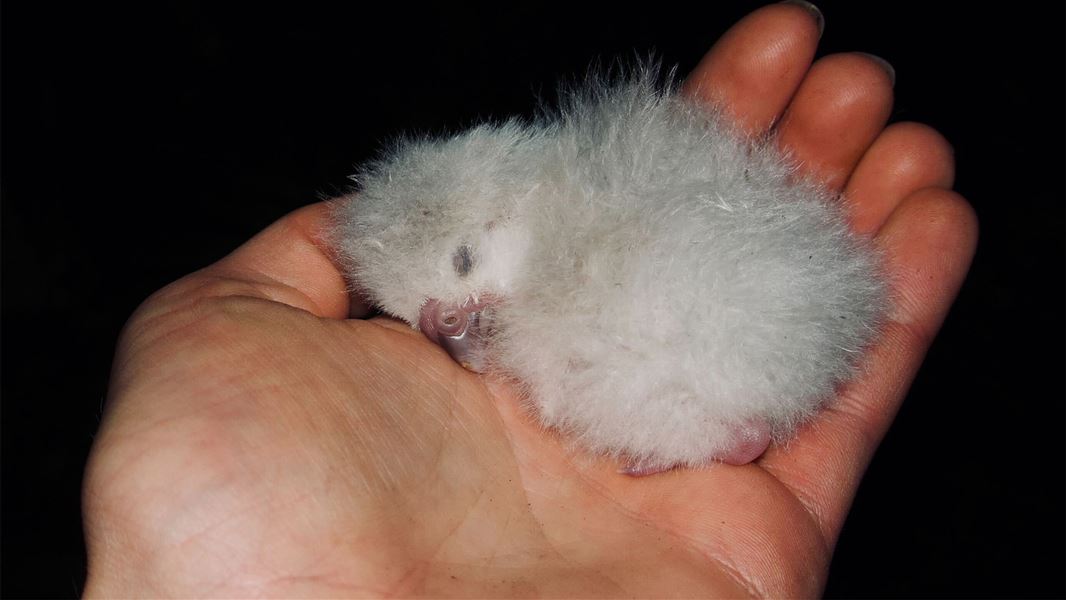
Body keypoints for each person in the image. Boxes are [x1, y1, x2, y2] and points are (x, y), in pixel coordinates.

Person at [82, 2, 976, 596]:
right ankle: (724, 421)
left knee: (572, 338)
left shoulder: (561, 239)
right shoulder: (575, 203)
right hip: (770, 323)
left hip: (734, 324)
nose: (455, 323)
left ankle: (718, 422)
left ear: (495, 203)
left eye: (458, 275)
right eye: (427, 319)